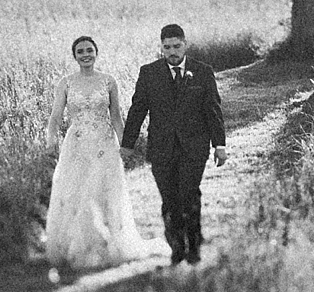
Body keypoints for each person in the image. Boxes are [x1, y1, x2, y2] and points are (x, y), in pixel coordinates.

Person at [41, 34, 157, 269]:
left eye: (89, 50)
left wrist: (126, 145)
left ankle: (107, 243)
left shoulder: (108, 81)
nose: (86, 55)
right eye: (81, 51)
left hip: (104, 143)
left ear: (96, 53)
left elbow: (115, 116)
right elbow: (55, 118)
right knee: (76, 190)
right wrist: (50, 142)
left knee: (105, 190)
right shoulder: (66, 83)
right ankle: (76, 245)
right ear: (75, 56)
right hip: (77, 143)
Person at [122, 22, 226, 266]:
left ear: (185, 45)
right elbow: (137, 110)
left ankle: (194, 246)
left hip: (194, 146)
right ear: (161, 47)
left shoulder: (202, 71)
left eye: (176, 46)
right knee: (169, 199)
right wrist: (128, 144)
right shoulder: (149, 73)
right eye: (167, 47)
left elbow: (213, 110)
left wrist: (219, 144)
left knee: (189, 194)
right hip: (161, 148)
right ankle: (176, 248)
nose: (172, 52)